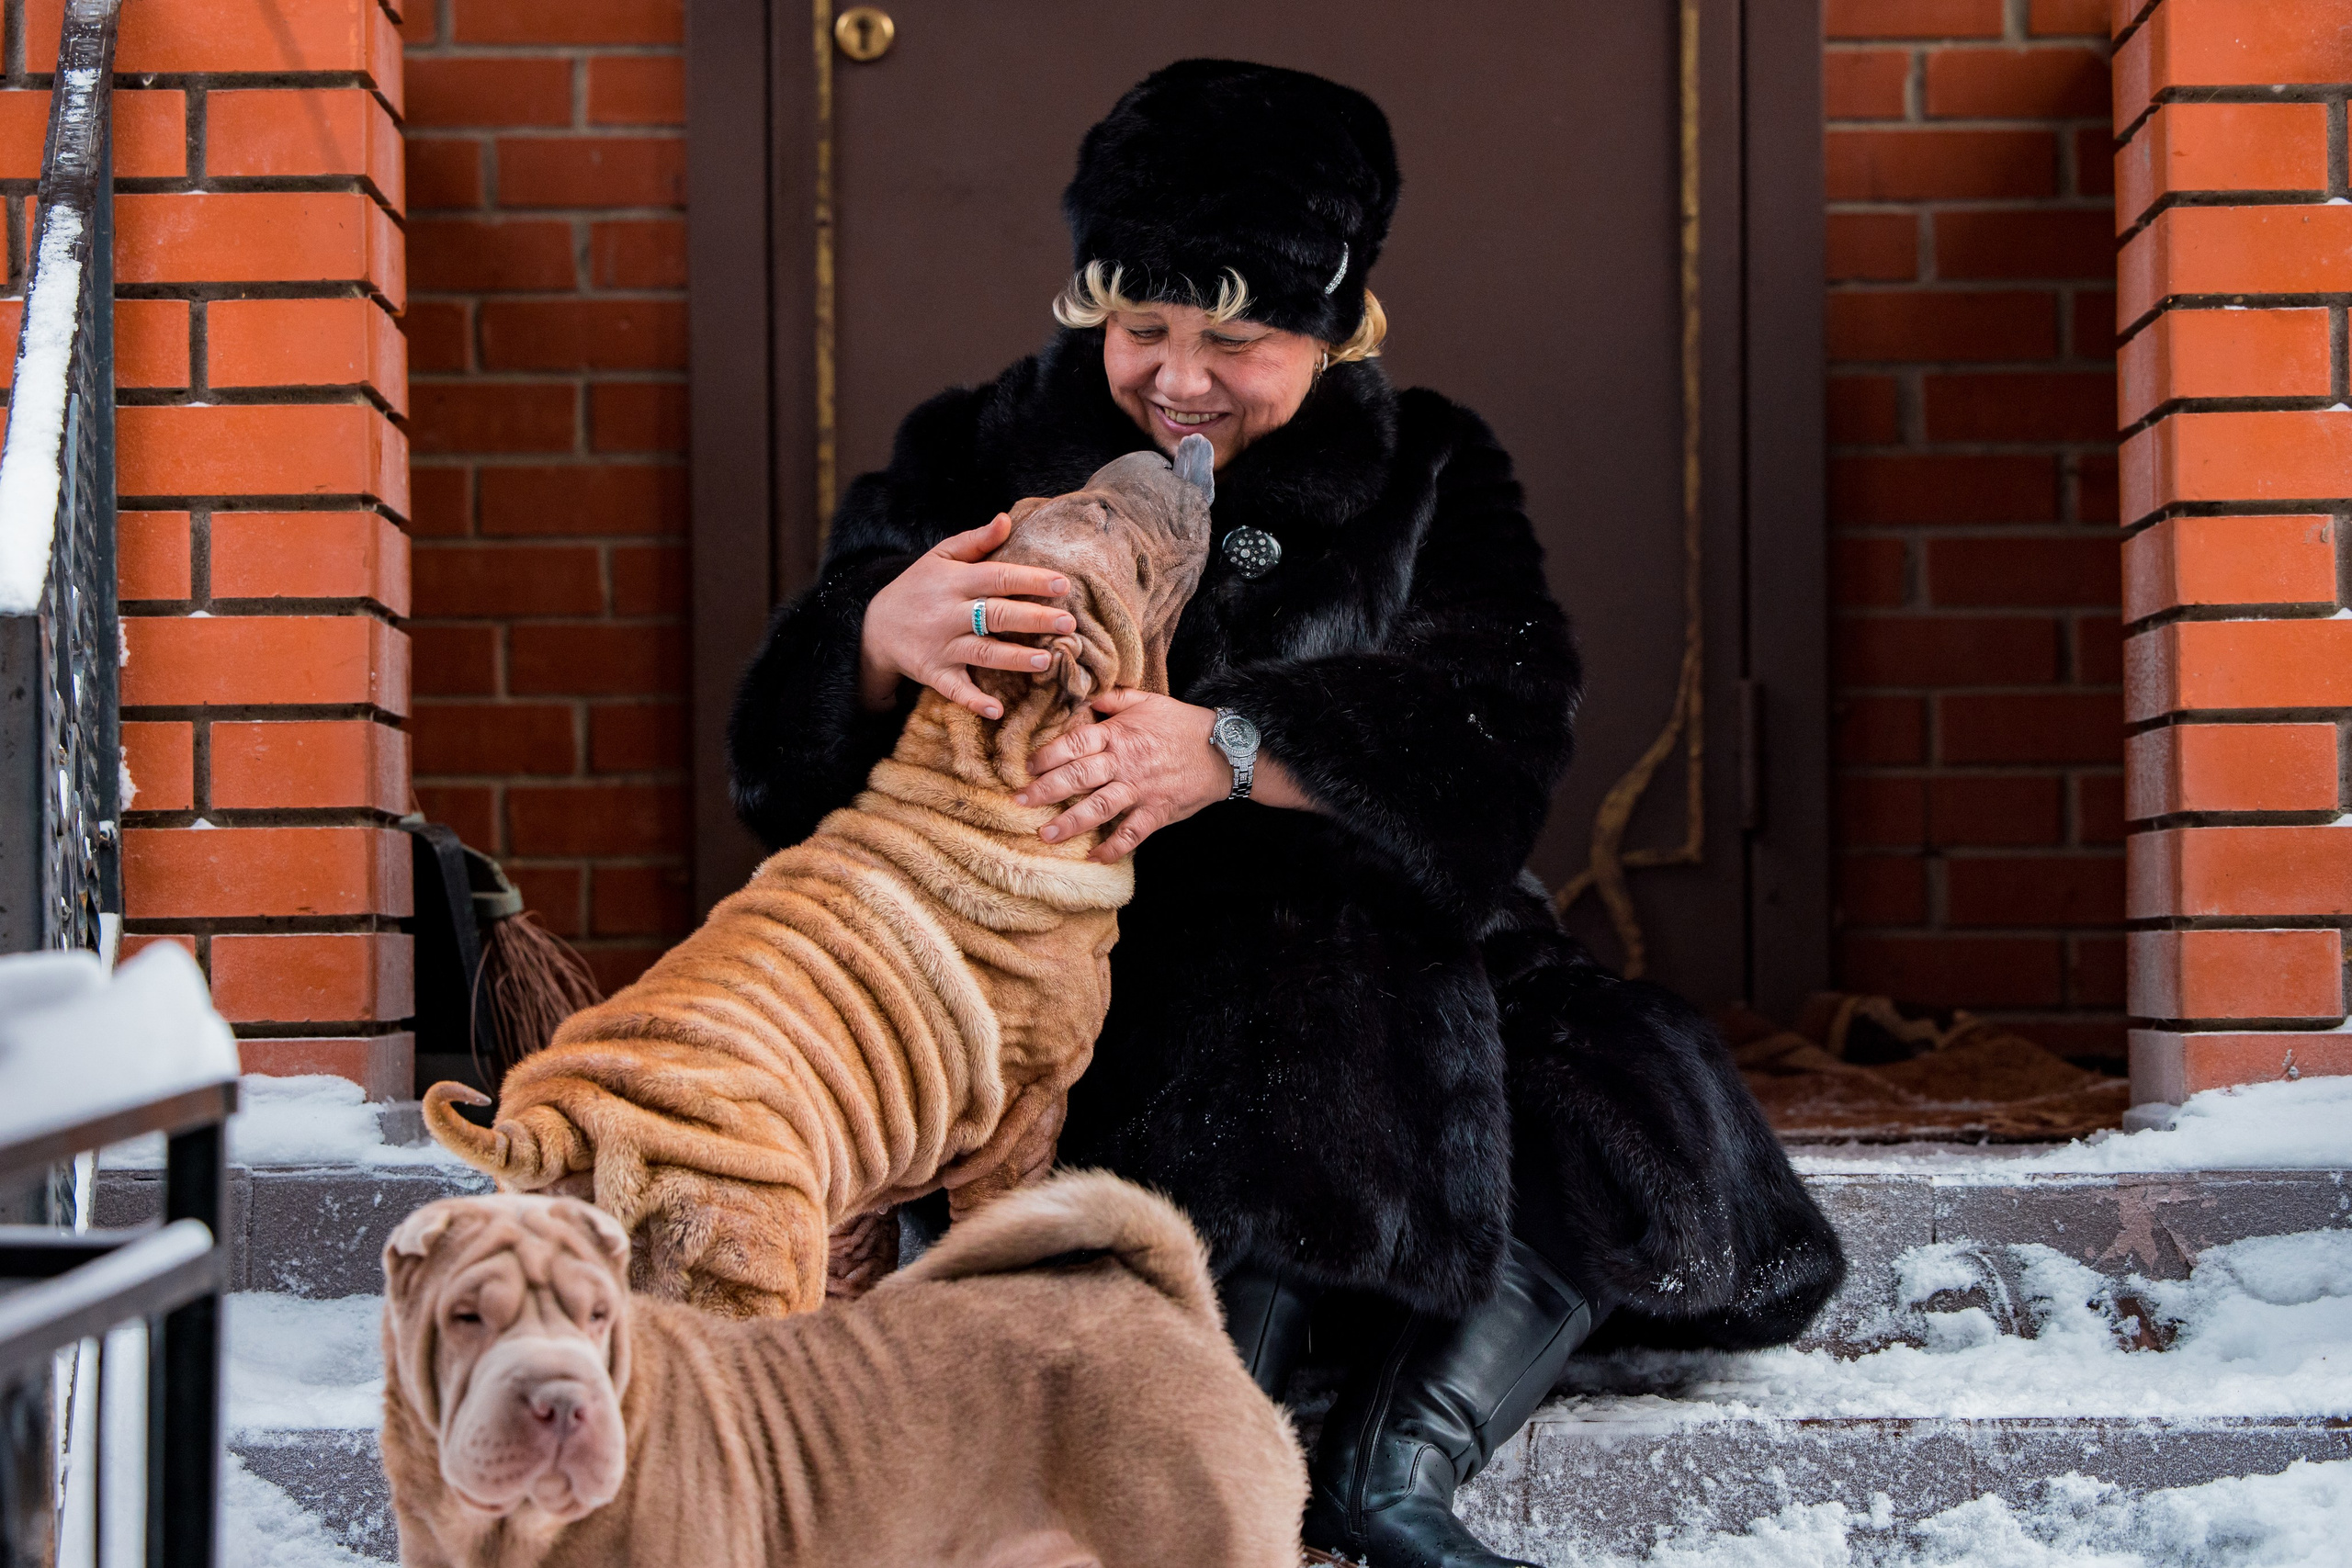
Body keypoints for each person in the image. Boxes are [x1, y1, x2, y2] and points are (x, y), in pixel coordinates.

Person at [729, 60, 1842, 1568]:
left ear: (1334, 328)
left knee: (1623, 1086)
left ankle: (1394, 1473)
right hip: (1086, 952)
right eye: (1144, 330)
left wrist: (1241, 748)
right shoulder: (974, 450)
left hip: (1411, 920)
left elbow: (1505, 722)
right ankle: (1214, 1452)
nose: (1181, 381)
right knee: (1287, 986)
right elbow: (784, 777)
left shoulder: (1427, 465)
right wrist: (869, 637)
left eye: (1236, 341)